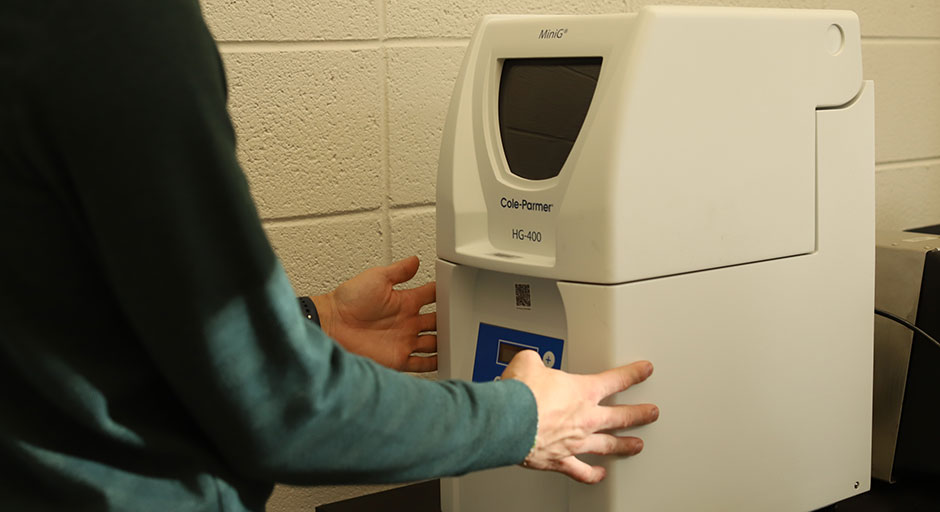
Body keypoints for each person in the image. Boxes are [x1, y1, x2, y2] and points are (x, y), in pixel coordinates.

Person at [0, 1, 659, 510]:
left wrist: (308, 322)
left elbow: (61, 302)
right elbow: (281, 408)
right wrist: (524, 420)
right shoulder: (112, 30)